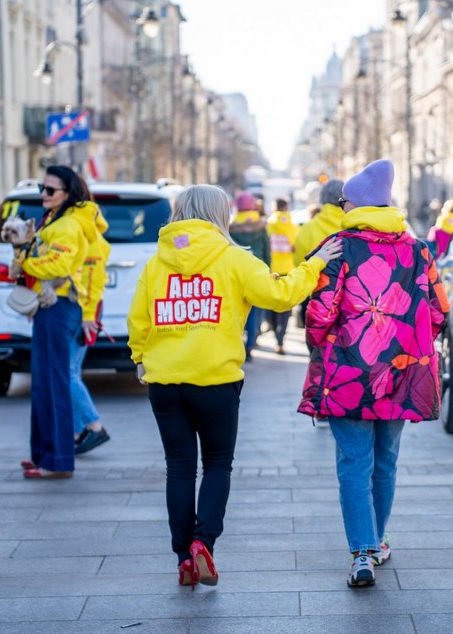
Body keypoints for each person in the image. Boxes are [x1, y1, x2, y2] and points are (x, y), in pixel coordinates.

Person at [127, 185, 341, 587]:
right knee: (217, 464)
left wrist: (140, 358)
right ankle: (202, 542)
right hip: (216, 380)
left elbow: (138, 318)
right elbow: (280, 295)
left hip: (165, 381)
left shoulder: (157, 263)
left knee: (178, 467)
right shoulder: (234, 258)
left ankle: (182, 559)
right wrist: (314, 266)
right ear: (220, 214)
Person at [298, 159, 450, 588]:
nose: (342, 206)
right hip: (403, 372)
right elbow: (439, 311)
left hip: (347, 370)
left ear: (356, 204)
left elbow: (320, 313)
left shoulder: (339, 248)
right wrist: (408, 340)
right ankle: (378, 541)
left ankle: (362, 553)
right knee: (386, 461)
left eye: (344, 200)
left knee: (353, 462)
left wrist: (320, 344)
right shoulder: (419, 250)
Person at [17, 165, 98, 479]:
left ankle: (57, 460)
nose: (43, 194)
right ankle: (45, 456)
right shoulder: (54, 220)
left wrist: (25, 262)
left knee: (53, 383)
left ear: (67, 194)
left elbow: (61, 262)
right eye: (42, 187)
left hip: (60, 305)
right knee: (43, 383)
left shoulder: (67, 225)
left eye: (50, 190)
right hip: (52, 306)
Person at [72, 204, 112, 455]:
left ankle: (93, 425)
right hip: (81, 308)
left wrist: (88, 316)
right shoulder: (89, 236)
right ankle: (78, 431)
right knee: (71, 370)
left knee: (67, 371)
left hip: (83, 310)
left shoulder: (91, 241)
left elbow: (92, 282)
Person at [294, 179, 345, 338]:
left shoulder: (308, 228)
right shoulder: (353, 226)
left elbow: (299, 262)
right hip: (349, 302)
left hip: (317, 299)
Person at [229, 191, 270, 360]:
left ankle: (238, 341)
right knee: (255, 310)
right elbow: (267, 250)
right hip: (258, 271)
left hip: (237, 272)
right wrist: (269, 269)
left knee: (238, 310)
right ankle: (251, 343)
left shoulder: (231, 226)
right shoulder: (261, 225)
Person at [266, 197, 300, 354]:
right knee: (286, 306)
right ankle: (280, 338)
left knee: (270, 303)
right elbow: (298, 249)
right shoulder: (294, 228)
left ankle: (274, 331)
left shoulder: (268, 226)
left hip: (271, 271)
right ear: (286, 208)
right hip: (288, 271)